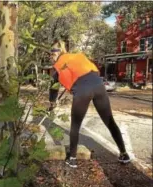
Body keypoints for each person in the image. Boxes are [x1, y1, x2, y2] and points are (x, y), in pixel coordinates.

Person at [48, 40, 131, 168]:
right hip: (99, 86)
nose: (50, 57)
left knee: (75, 126)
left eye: (51, 55)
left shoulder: (58, 67)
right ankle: (124, 154)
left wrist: (52, 103)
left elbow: (53, 88)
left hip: (83, 90)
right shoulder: (77, 56)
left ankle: (73, 159)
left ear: (58, 53)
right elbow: (87, 72)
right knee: (110, 121)